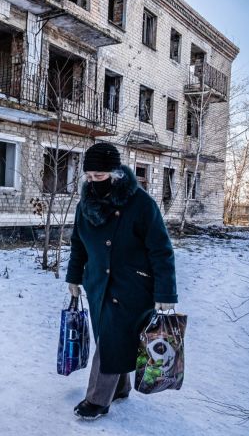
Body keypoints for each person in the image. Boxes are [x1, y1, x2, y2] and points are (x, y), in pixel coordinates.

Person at [65, 142, 177, 420]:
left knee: (112, 340)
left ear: (115, 174)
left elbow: (161, 250)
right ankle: (120, 387)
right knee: (109, 337)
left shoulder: (141, 204)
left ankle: (97, 399)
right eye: (89, 177)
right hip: (97, 285)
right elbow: (78, 244)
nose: (93, 182)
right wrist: (74, 277)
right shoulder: (85, 205)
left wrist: (166, 292)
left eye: (99, 177)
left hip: (132, 287)